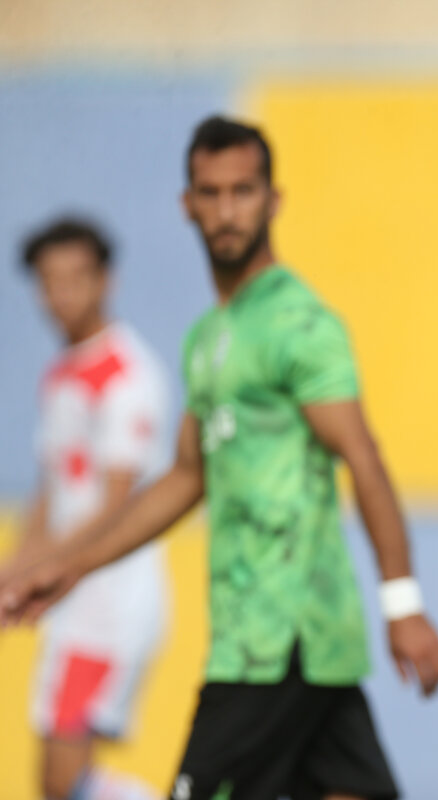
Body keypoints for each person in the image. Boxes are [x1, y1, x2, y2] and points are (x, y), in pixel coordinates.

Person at [2, 116, 438, 800]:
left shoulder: (299, 323)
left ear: (273, 200)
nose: (227, 210)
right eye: (210, 193)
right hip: (288, 649)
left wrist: (403, 603)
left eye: (243, 191)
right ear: (188, 204)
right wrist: (69, 567)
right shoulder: (208, 337)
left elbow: (363, 458)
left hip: (278, 640)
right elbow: (186, 477)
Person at [3, 218, 167, 800]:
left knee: (63, 779)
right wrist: (14, 571)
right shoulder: (61, 376)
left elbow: (115, 506)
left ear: (106, 281)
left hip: (109, 600)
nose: (63, 294)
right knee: (58, 783)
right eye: (50, 281)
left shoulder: (127, 373)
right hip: (70, 598)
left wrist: (40, 569)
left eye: (76, 278)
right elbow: (50, 497)